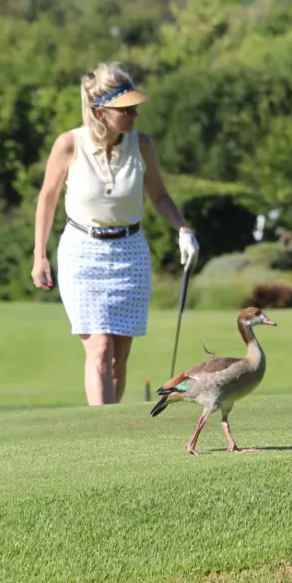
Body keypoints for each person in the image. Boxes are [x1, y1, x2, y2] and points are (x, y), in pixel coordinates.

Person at [31, 63, 199, 406]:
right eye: (126, 109)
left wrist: (184, 229)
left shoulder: (143, 145)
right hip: (81, 252)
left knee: (118, 360)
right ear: (99, 112)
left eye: (134, 107)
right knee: (99, 349)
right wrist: (39, 256)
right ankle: (102, 435)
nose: (135, 114)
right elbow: (47, 199)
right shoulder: (68, 144)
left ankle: (111, 425)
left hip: (130, 254)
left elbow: (159, 196)